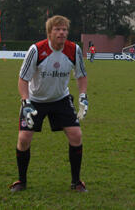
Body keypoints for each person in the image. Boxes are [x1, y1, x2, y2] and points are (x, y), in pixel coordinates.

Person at [9, 15, 89, 193]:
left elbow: (81, 75)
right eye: (57, 29)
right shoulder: (37, 50)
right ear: (49, 32)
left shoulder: (73, 49)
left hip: (61, 99)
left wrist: (83, 95)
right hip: (35, 100)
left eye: (64, 29)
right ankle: (21, 181)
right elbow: (23, 80)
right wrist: (25, 101)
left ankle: (76, 182)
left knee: (76, 135)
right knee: (23, 139)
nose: (62, 32)